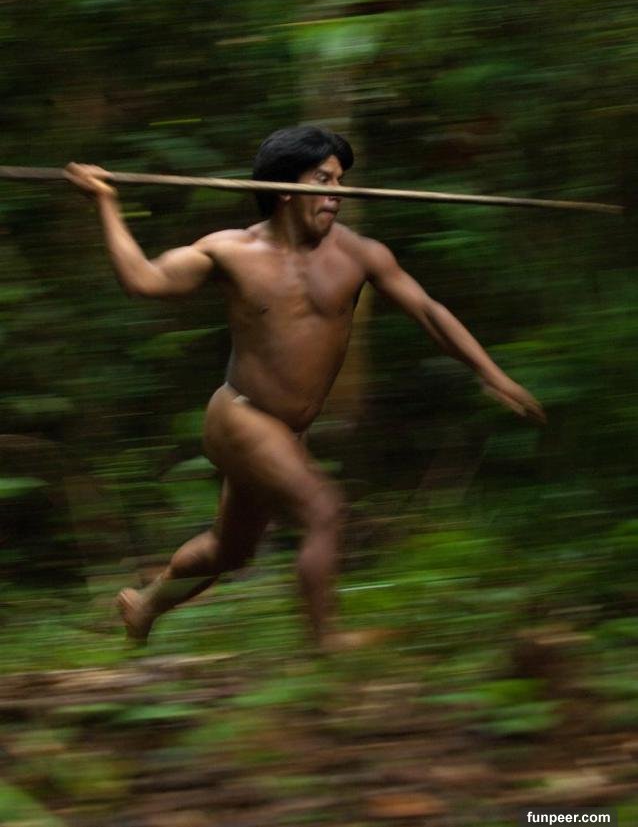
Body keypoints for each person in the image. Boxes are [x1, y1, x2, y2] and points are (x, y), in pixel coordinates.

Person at [65, 125, 544, 650]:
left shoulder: (359, 254)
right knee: (323, 508)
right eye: (323, 179)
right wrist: (106, 202)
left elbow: (428, 311)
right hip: (241, 415)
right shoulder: (231, 251)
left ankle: (144, 607)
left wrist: (491, 373)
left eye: (341, 181)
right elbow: (143, 280)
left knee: (231, 550)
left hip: (288, 429)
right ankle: (326, 642)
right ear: (285, 189)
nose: (337, 193)